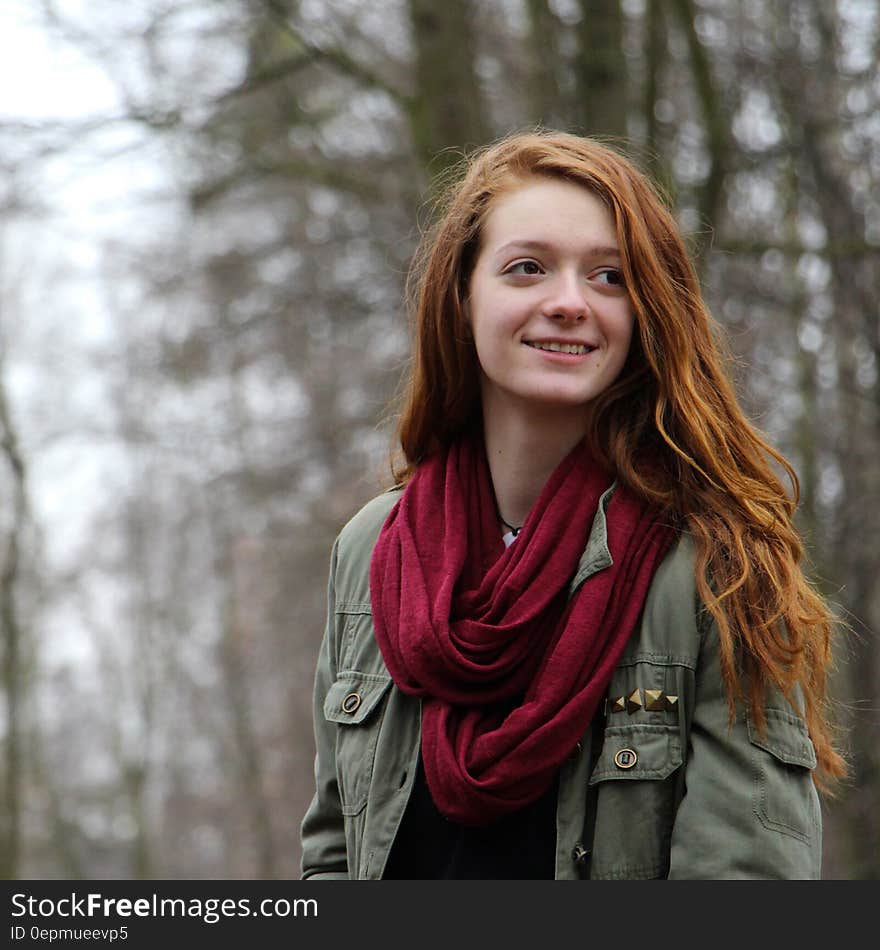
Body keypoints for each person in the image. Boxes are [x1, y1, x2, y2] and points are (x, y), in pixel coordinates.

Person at [299, 129, 847, 880]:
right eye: (527, 268)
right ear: (461, 297)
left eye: (609, 276)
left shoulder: (720, 567)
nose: (567, 302)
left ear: (645, 310)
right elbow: (332, 852)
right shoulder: (372, 551)